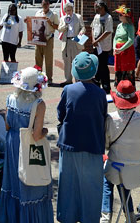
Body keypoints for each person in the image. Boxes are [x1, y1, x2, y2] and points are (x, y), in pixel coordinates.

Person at [0, 66, 53, 223]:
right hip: (27, 146)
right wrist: (45, 131)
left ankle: (10, 217)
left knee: (12, 182)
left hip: (12, 142)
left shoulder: (10, 98)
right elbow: (36, 135)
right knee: (30, 182)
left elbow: (7, 125)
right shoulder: (38, 104)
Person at [57, 52, 107, 223]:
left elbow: (60, 114)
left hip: (69, 144)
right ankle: (89, 218)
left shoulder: (68, 90)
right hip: (93, 144)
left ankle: (68, 217)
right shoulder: (100, 94)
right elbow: (103, 116)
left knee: (68, 186)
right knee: (91, 188)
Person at [101, 79, 140, 223]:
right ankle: (130, 215)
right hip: (138, 171)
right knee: (123, 181)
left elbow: (106, 146)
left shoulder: (110, 119)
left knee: (108, 181)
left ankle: (105, 216)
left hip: (116, 168)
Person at [58, 2, 86, 85]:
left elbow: (83, 27)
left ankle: (78, 79)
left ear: (72, 9)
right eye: (67, 10)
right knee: (67, 61)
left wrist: (81, 32)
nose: (68, 12)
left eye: (70, 10)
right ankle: (68, 80)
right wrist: (65, 25)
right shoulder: (63, 18)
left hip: (76, 40)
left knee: (77, 61)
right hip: (66, 41)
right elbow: (59, 29)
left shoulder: (78, 17)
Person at [34, 0, 59, 84]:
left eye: (47, 4)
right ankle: (39, 77)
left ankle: (49, 78)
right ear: (41, 4)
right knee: (38, 59)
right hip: (39, 39)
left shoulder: (53, 14)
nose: (45, 6)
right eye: (43, 4)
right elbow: (34, 24)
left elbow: (57, 27)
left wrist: (50, 23)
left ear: (49, 4)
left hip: (48, 39)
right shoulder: (38, 13)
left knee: (48, 59)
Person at [91, 0, 114, 94]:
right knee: (96, 65)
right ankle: (96, 85)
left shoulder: (108, 18)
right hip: (96, 45)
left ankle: (106, 87)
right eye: (96, 8)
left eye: (99, 8)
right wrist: (93, 40)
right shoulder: (96, 16)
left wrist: (97, 40)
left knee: (103, 66)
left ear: (103, 7)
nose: (97, 10)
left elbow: (108, 31)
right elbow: (92, 28)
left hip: (104, 46)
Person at [113, 5, 136, 86]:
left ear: (125, 16)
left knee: (126, 69)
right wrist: (114, 48)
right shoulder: (119, 26)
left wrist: (121, 49)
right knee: (118, 69)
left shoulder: (130, 27)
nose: (119, 16)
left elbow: (131, 40)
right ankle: (119, 86)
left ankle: (128, 88)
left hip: (126, 51)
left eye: (120, 15)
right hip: (118, 51)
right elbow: (115, 38)